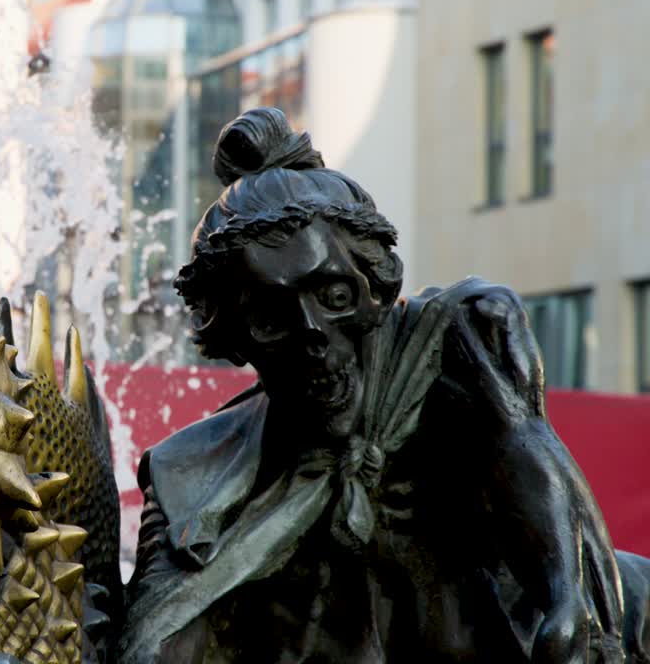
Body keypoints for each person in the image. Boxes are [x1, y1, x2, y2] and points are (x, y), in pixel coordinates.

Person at [119, 107, 643, 663]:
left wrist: (567, 599)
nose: (313, 335)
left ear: (374, 285)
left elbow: (520, 442)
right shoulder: (192, 479)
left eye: (335, 298)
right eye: (272, 319)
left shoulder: (455, 342)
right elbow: (150, 643)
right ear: (234, 338)